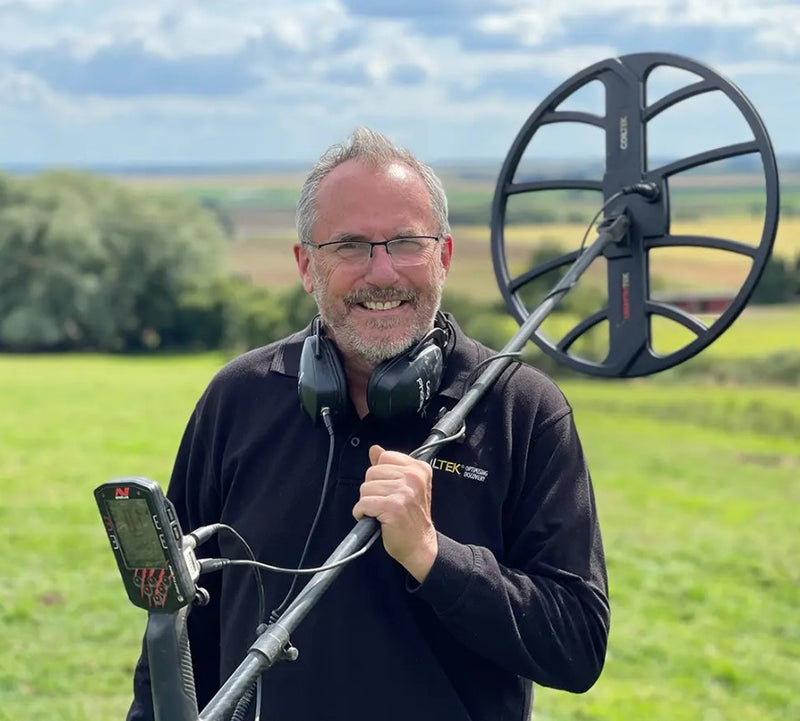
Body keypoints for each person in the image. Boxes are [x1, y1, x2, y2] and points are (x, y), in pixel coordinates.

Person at [127, 127, 609, 721]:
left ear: (445, 256)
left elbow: (578, 647)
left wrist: (434, 555)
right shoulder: (238, 398)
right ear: (307, 266)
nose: (382, 273)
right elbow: (176, 626)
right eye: (350, 246)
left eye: (406, 243)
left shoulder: (522, 410)